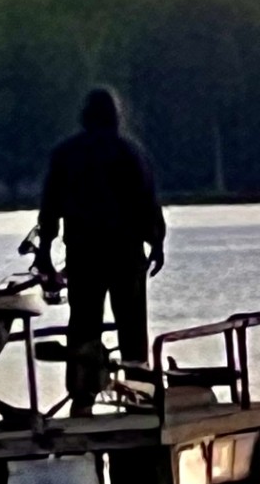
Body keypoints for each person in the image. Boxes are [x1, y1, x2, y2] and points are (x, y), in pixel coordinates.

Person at [36, 88, 166, 417]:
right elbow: (148, 201)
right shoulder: (131, 152)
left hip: (84, 255)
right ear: (115, 116)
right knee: (132, 326)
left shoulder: (66, 154)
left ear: (85, 116)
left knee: (83, 326)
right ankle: (140, 394)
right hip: (126, 255)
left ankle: (82, 398)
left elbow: (50, 207)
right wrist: (157, 242)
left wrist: (46, 252)